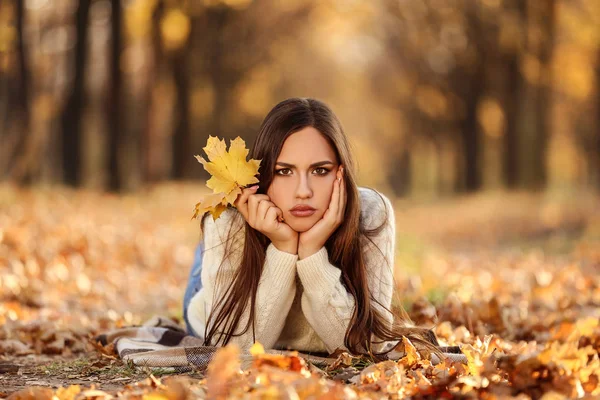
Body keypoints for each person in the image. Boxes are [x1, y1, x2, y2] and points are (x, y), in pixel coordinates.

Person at [183, 97, 440, 360]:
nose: (303, 192)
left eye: (319, 170)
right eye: (284, 171)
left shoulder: (371, 212)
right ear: (263, 176)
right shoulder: (230, 220)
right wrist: (283, 248)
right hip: (209, 290)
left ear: (341, 173)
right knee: (210, 254)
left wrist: (311, 253)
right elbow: (235, 351)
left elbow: (366, 348)